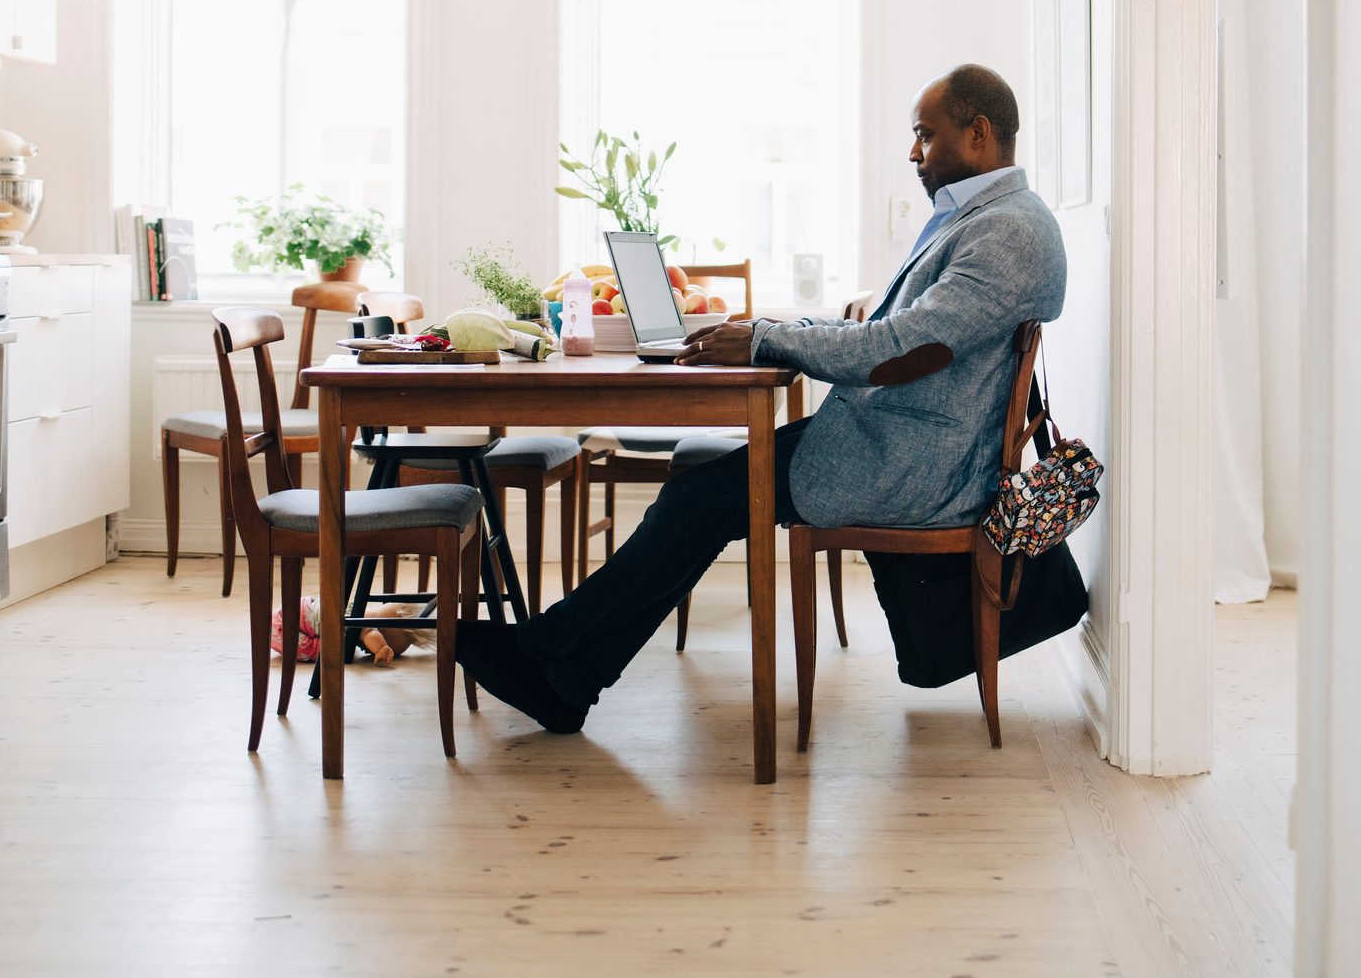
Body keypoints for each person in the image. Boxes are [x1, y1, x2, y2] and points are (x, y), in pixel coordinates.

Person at [455, 63, 1068, 733]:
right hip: (895, 438)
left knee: (696, 501)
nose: (913, 153)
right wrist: (772, 332)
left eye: (924, 135)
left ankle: (557, 667)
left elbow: (897, 350)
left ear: (977, 133)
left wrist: (764, 340)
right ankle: (561, 670)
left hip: (912, 462)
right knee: (697, 496)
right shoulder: (985, 220)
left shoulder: (1008, 231)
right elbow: (887, 334)